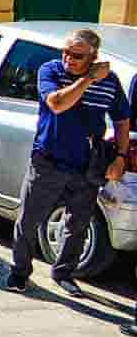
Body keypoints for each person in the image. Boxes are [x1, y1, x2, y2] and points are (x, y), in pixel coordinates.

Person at [7, 27, 126, 285]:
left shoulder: (110, 81)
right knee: (29, 220)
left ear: (93, 57)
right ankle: (19, 271)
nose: (69, 58)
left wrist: (120, 156)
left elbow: (122, 119)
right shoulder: (50, 70)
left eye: (77, 55)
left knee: (78, 225)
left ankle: (64, 273)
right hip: (48, 160)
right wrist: (88, 79)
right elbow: (57, 104)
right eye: (66, 52)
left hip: (87, 164)